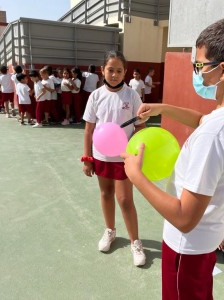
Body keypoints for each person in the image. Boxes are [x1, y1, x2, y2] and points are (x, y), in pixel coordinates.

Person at [121, 15, 224, 299]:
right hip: (207, 237)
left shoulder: (213, 136)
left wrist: (136, 175)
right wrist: (164, 108)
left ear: (223, 70)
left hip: (187, 245)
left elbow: (185, 218)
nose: (196, 73)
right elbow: (203, 119)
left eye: (199, 65)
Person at [82, 50, 147, 267]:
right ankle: (110, 231)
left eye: (119, 70)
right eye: (110, 70)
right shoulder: (96, 96)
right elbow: (89, 129)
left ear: (125, 72)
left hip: (123, 158)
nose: (114, 74)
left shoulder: (132, 96)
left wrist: (134, 153)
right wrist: (87, 157)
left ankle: (135, 242)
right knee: (105, 193)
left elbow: (140, 128)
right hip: (101, 157)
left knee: (125, 200)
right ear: (102, 70)